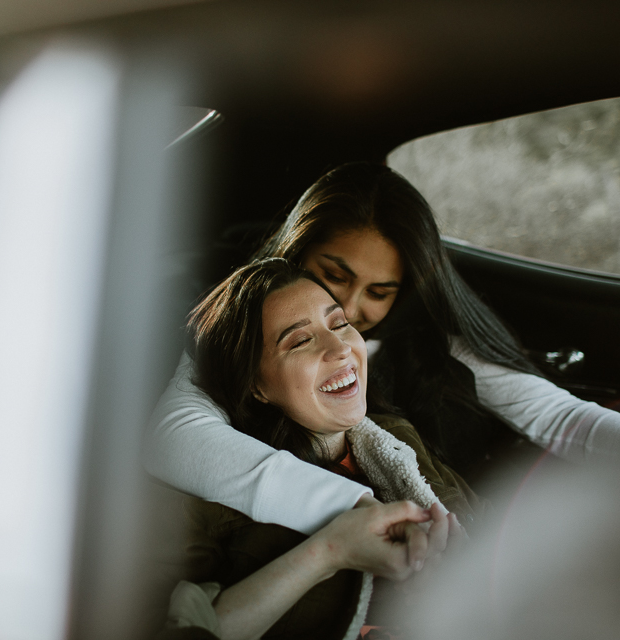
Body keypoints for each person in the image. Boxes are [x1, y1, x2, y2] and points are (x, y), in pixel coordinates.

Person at [147, 162, 620, 539]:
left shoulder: (432, 347)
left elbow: (561, 416)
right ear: (294, 253)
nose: (352, 311)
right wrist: (373, 514)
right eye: (333, 276)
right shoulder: (235, 332)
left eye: (379, 292)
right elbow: (175, 434)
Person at [161, 258, 471, 640]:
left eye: (340, 324)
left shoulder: (398, 438)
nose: (340, 348)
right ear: (256, 387)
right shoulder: (212, 502)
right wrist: (329, 552)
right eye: (301, 340)